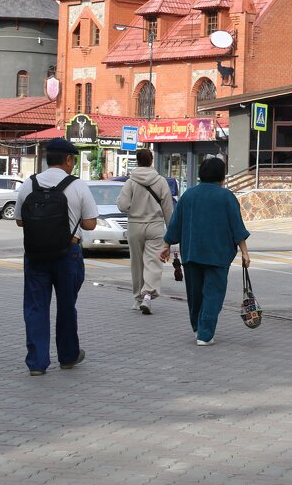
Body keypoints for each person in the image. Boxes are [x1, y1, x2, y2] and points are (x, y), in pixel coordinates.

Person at [15, 138, 99, 376]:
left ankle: (37, 363)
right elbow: (90, 224)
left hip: (35, 254)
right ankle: (68, 356)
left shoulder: (28, 184)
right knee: (66, 306)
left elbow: (20, 220)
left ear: (46, 159)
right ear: (69, 159)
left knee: (35, 307)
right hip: (67, 254)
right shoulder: (78, 185)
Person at [159, 157, 250, 346]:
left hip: (192, 252)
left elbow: (176, 224)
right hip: (218, 254)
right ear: (222, 176)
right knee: (213, 294)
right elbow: (237, 227)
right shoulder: (227, 197)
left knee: (195, 294)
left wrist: (166, 245)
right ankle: (205, 333)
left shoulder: (189, 195)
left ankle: (197, 328)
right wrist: (244, 252)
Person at [116, 148, 174, 314]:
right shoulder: (161, 181)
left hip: (135, 225)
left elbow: (123, 205)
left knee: (137, 263)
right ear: (151, 161)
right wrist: (171, 232)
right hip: (155, 225)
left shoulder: (130, 182)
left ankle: (137, 298)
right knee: (153, 261)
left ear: (137, 161)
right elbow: (168, 208)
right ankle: (148, 295)